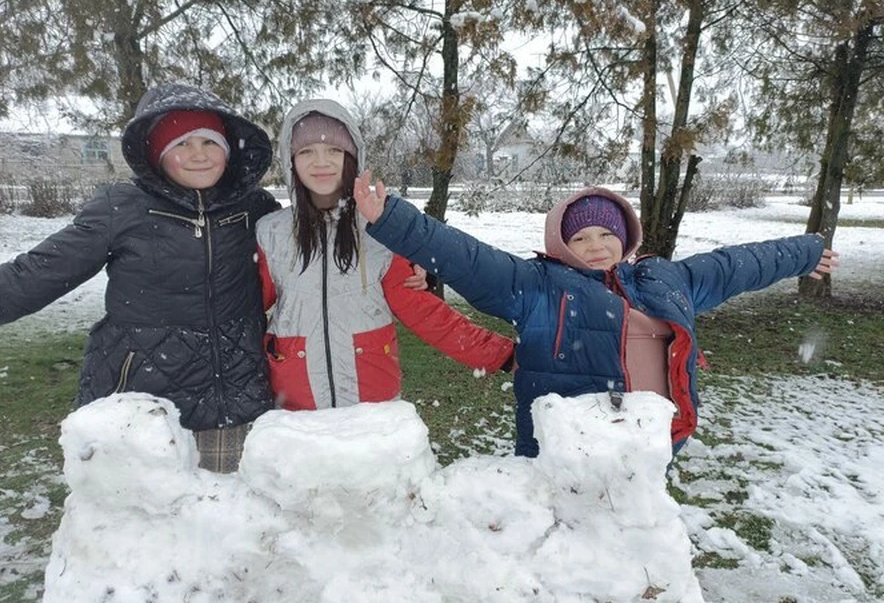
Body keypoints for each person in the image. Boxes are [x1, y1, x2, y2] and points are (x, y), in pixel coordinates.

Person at [0, 83, 281, 473]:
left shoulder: (255, 209)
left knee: (226, 519)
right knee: (136, 525)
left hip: (236, 401)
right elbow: (31, 275)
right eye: (181, 144)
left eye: (210, 143)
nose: (198, 155)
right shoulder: (122, 209)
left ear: (228, 152)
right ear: (157, 154)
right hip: (141, 407)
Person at [353, 179, 840, 458]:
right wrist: (392, 220)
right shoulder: (536, 285)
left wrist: (804, 252)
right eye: (580, 237)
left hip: (650, 446)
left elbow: (739, 266)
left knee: (627, 554)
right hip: (562, 453)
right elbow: (466, 257)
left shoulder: (666, 280)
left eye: (604, 234)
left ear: (624, 237)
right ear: (562, 243)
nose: (595, 245)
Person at [255, 99, 514, 411]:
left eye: (334, 150)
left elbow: (427, 314)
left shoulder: (378, 231)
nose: (320, 161)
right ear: (290, 161)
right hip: (296, 409)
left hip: (373, 408)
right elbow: (242, 311)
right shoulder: (271, 233)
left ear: (352, 158)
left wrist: (504, 356)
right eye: (306, 151)